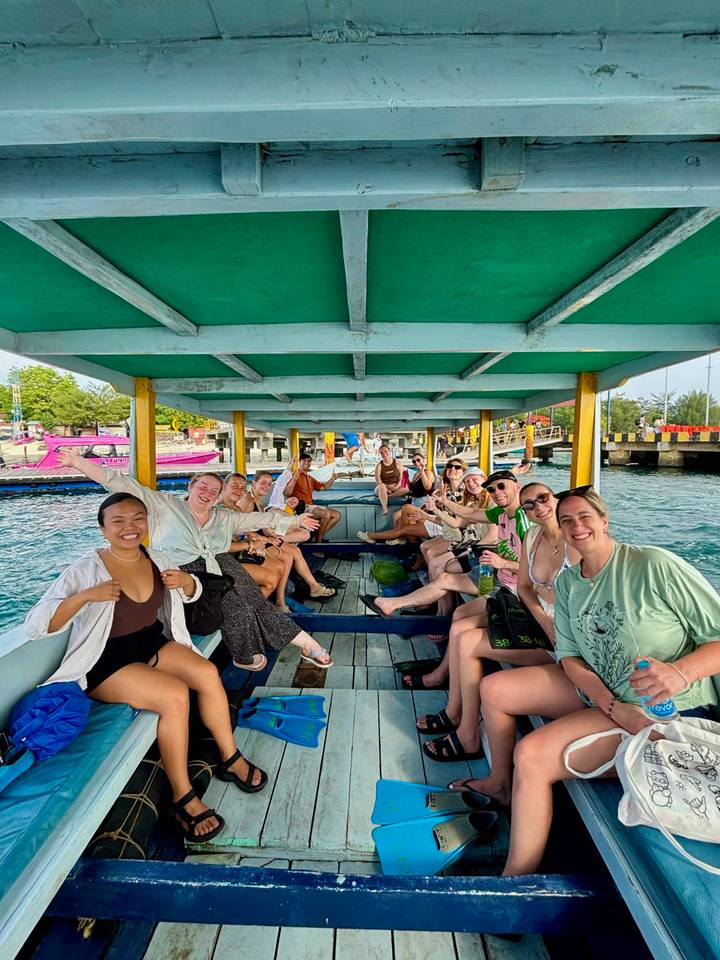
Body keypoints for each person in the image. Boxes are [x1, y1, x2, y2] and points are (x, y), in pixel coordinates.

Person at [449, 486, 720, 876]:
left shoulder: (653, 565)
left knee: (533, 755)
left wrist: (679, 672)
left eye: (585, 517)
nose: (576, 526)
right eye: (567, 520)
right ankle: (500, 783)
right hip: (606, 696)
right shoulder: (571, 584)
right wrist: (611, 706)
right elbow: (571, 658)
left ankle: (517, 879)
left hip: (662, 712)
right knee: (495, 689)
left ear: (605, 521)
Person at [25, 492, 266, 842]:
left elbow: (191, 590)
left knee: (207, 673)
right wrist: (84, 597)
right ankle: (183, 797)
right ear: (103, 529)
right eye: (118, 521)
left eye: (138, 518)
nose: (130, 527)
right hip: (107, 662)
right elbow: (38, 624)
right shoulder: (86, 569)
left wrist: (187, 583)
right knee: (175, 696)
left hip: (150, 643)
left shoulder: (157, 556)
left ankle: (229, 757)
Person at [57, 451, 333, 672]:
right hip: (184, 569)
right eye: (203, 486)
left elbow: (261, 518)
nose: (209, 493)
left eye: (214, 490)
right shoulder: (164, 504)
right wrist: (78, 462)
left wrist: (295, 519)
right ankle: (245, 653)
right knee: (235, 603)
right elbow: (120, 482)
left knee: (255, 599)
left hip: (219, 563)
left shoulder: (222, 516)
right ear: (191, 486)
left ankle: (305, 644)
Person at [222, 471, 335, 608]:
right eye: (263, 483)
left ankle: (308, 589)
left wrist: (274, 533)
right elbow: (247, 531)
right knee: (288, 556)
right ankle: (282, 600)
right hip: (246, 547)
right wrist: (267, 539)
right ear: (254, 483)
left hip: (253, 542)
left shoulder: (255, 501)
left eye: (269, 484)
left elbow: (255, 524)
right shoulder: (247, 501)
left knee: (294, 550)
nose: (266, 487)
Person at [283, 453, 341, 542]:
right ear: (299, 462)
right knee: (325, 514)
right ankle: (318, 544)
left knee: (336, 515)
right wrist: (294, 479)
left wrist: (332, 478)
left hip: (311, 506)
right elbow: (287, 493)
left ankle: (315, 538)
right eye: (304, 460)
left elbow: (324, 487)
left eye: (309, 461)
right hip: (300, 508)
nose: (307, 462)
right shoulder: (294, 475)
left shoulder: (309, 477)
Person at [373, 444, 409, 516]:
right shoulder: (379, 465)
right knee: (382, 486)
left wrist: (397, 486)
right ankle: (385, 509)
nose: (384, 454)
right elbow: (378, 482)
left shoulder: (397, 463)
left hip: (395, 487)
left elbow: (402, 477)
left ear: (389, 451)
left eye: (385, 451)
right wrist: (389, 487)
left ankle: (388, 496)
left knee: (406, 489)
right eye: (381, 453)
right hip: (383, 488)